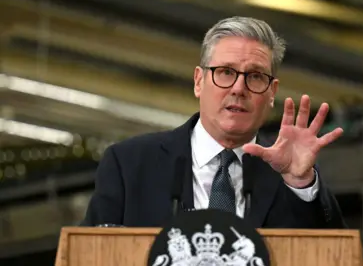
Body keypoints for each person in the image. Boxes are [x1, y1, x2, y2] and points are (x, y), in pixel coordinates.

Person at [81, 16, 347, 229]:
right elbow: (91, 253)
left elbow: (333, 255)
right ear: (199, 81)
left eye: (255, 77)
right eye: (226, 72)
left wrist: (301, 183)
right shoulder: (128, 164)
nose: (238, 88)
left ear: (271, 93)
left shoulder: (289, 174)